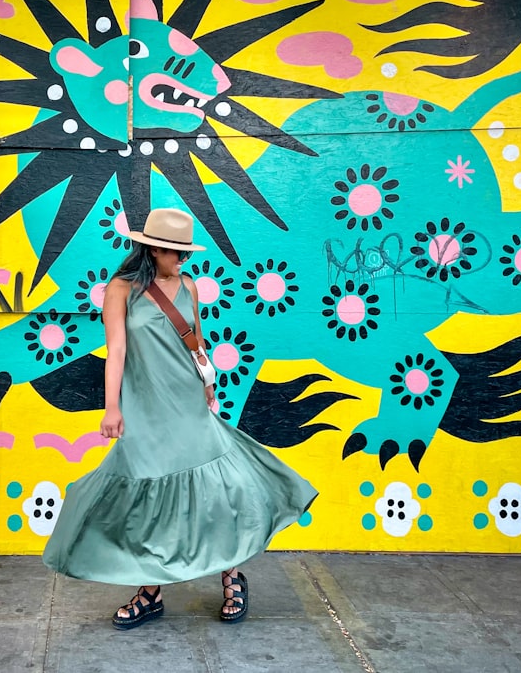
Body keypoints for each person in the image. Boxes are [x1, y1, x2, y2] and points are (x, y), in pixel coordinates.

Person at [42, 208, 317, 628]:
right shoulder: (120, 290)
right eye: (176, 253)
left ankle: (231, 576)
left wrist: (207, 382)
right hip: (145, 405)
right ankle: (151, 591)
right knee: (149, 499)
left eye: (186, 253)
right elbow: (116, 351)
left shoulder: (189, 286)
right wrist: (112, 407)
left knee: (219, 490)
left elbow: (197, 340)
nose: (183, 261)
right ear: (153, 248)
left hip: (188, 401)